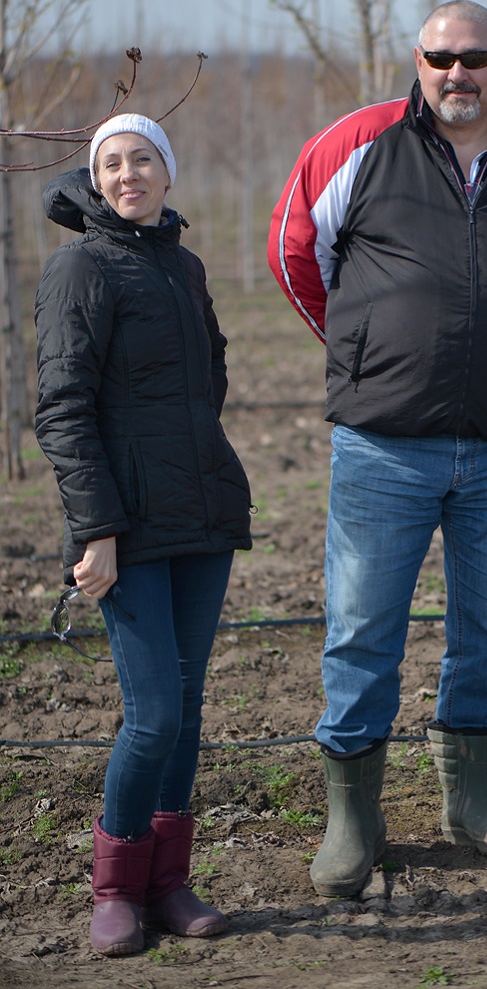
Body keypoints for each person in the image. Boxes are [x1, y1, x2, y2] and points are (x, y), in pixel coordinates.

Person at [268, 0, 487, 897]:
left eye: (476, 57)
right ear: (416, 60)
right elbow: (297, 251)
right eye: (440, 56)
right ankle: (354, 818)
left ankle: (473, 799)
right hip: (384, 446)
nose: (458, 72)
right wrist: (367, 351)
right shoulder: (357, 143)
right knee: (363, 626)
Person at [35, 114, 253, 956]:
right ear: (97, 180)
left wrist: (197, 459)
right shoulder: (78, 267)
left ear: (167, 171)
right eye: (112, 164)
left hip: (199, 516)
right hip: (124, 529)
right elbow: (62, 408)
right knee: (153, 712)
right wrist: (96, 530)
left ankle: (169, 883)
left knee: (189, 710)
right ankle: (117, 887)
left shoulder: (183, 265)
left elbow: (212, 377)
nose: (129, 175)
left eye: (143, 160)